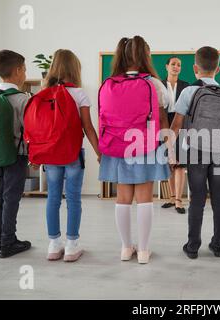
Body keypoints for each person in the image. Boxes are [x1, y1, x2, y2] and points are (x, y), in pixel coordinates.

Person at [98, 36, 170, 264]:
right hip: (145, 145)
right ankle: (144, 251)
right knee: (145, 198)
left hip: (117, 144)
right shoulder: (155, 84)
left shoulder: (109, 83)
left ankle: (126, 248)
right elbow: (164, 118)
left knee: (122, 198)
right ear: (145, 56)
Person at [170, 46, 220, 259]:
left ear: (195, 68)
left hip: (196, 151)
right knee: (219, 199)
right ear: (218, 69)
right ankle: (218, 246)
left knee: (196, 199)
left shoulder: (189, 91)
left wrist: (171, 151)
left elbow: (177, 125)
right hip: (219, 152)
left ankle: (193, 246)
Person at [39, 49, 101, 262]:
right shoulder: (79, 93)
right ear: (75, 68)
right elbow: (88, 128)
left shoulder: (43, 92)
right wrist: (99, 152)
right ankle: (72, 245)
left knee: (52, 198)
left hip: (49, 153)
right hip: (72, 153)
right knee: (73, 199)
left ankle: (54, 245)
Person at [0, 50, 31, 258]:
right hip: (16, 155)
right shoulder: (22, 99)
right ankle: (8, 242)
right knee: (11, 198)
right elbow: (30, 130)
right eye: (24, 69)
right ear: (18, 70)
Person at [161, 57, 189, 214]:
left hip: (181, 125)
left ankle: (179, 200)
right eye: (173, 64)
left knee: (180, 164)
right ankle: (171, 198)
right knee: (168, 163)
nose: (176, 67)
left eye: (179, 65)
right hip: (164, 124)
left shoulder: (186, 86)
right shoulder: (159, 85)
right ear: (166, 66)